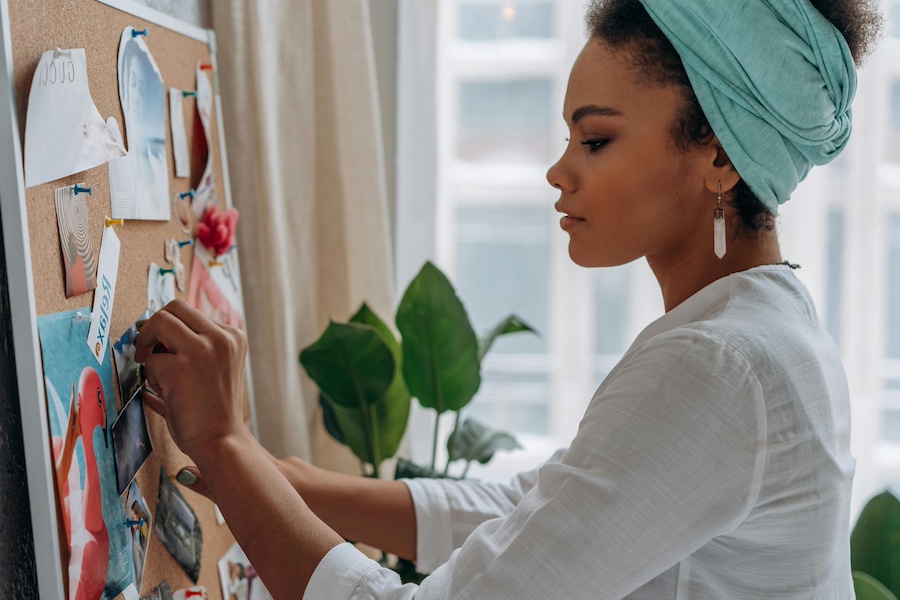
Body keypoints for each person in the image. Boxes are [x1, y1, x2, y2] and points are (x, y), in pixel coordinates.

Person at [135, 0, 883, 598]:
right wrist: (285, 482)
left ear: (718, 153)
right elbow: (536, 509)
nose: (559, 172)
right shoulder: (767, 329)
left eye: (594, 141)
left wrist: (227, 449)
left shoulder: (720, 365)